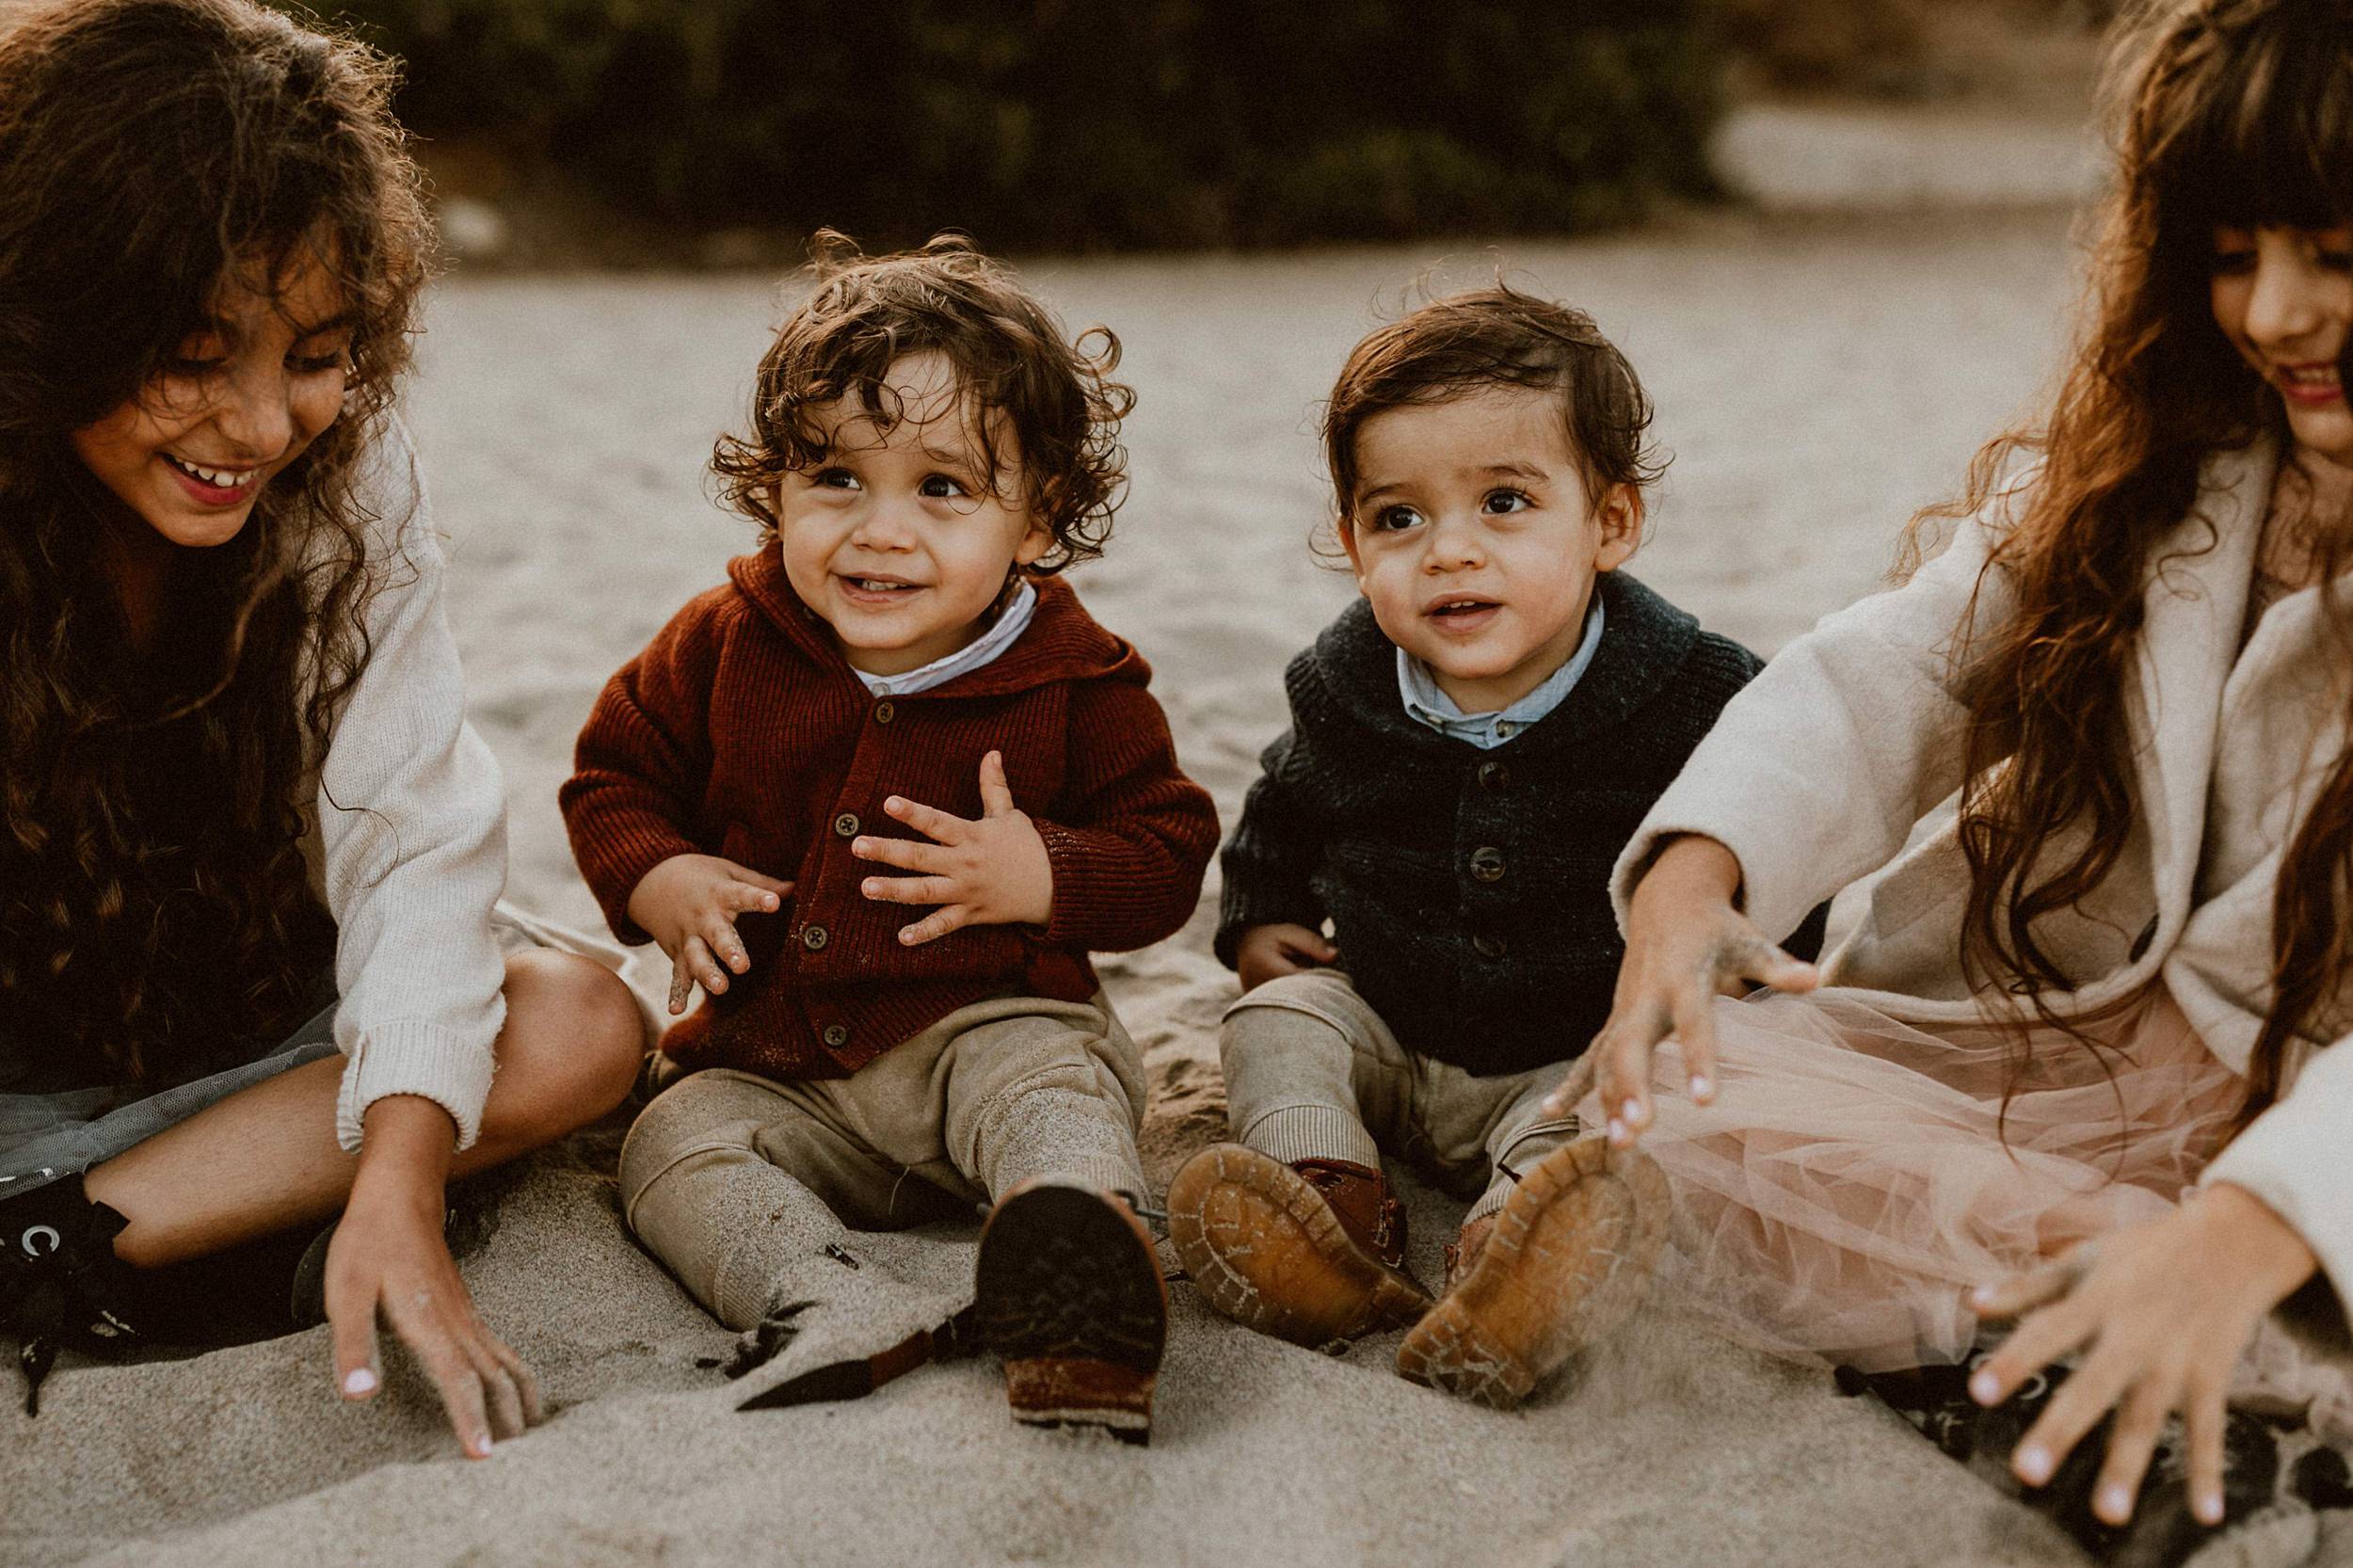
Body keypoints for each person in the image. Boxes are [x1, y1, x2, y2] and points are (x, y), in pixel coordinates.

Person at [1561, 0, 2353, 1535]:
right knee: (1650, 1108)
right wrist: (1694, 877)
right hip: (2054, 1060)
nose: (2271, 314)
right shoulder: (2162, 466)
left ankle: (2187, 1357)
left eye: (2338, 255)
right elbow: (1889, 674)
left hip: (2320, 1140)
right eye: (2235, 250)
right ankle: (2093, 1353)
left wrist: (2248, 1226)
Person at [0, 0, 653, 1453]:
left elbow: (416, 834)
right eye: (193, 349)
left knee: (582, 1016)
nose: (257, 424)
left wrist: (403, 1173)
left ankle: (58, 1246)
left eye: (313, 351)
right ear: (58, 310)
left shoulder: (348, 480)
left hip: (250, 1043)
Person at [562, 234, 1219, 1443]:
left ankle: (1073, 1253)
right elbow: (614, 775)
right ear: (774, 488)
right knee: (671, 1146)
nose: (880, 530)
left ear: (1038, 518)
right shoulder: (720, 642)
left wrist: (1044, 876)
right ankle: (824, 1293)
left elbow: (1169, 848)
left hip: (986, 1027)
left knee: (1053, 1092)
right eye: (836, 481)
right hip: (776, 1067)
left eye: (943, 488)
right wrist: (659, 878)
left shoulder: (1074, 681)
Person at [1165, 287, 1822, 1409]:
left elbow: (1773, 829)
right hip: (1387, 1014)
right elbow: (1287, 796)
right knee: (1273, 1021)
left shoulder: (1694, 691)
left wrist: (1737, 970)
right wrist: (1260, 910)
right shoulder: (1345, 683)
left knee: (1610, 1120)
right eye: (1397, 519)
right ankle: (1327, 1205)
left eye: (1504, 503)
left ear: (1608, 523)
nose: (1448, 553)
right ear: (1349, 541)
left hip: (1565, 1050)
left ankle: (1507, 1260)